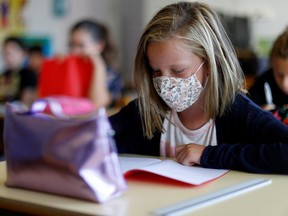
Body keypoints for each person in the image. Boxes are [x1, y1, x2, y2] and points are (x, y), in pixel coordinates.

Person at [109, 1, 288, 174]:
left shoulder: (237, 112)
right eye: (156, 71)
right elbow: (98, 139)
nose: (165, 83)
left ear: (210, 63)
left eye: (178, 70)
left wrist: (207, 155)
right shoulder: (146, 112)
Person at [69, 19, 124, 108]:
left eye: (81, 45)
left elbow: (97, 104)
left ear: (99, 46)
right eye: (71, 45)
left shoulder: (111, 74)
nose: (74, 51)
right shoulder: (73, 71)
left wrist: (98, 65)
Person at [249, 28, 288, 110]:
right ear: (272, 65)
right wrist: (259, 114)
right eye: (279, 75)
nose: (285, 84)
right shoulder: (263, 83)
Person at [0, 36, 37, 107]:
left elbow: (25, 104)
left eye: (11, 53)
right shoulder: (3, 75)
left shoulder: (28, 75)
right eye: (6, 53)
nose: (8, 57)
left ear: (23, 53)